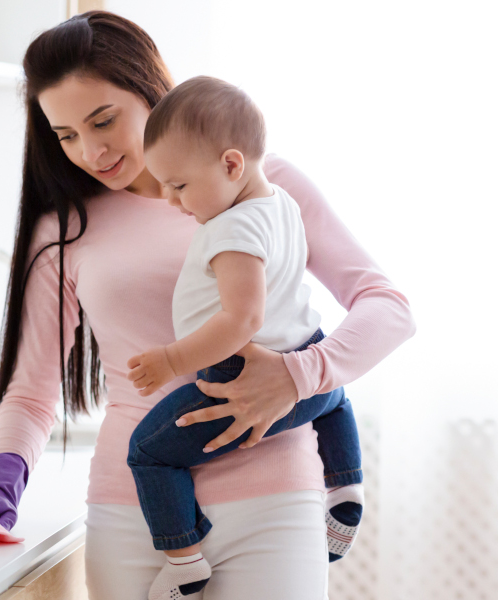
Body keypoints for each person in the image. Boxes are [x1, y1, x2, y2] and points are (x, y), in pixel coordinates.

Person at [0, 11, 415, 600]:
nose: (91, 150)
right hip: (132, 511)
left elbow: (387, 306)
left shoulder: (259, 182)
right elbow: (33, 392)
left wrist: (297, 375)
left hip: (273, 501)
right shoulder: (65, 230)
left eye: (103, 119)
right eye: (66, 135)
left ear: (148, 87)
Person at [123, 75, 365, 600]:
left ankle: (184, 562)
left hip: (239, 378)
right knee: (334, 396)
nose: (169, 198)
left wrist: (170, 359)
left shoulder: (232, 229)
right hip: (306, 353)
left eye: (179, 185)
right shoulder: (281, 204)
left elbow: (241, 320)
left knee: (148, 453)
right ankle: (346, 486)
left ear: (231, 164)